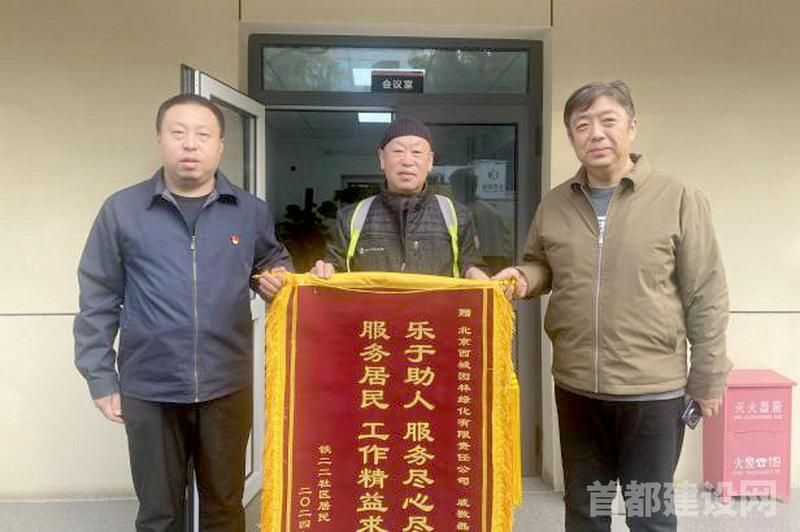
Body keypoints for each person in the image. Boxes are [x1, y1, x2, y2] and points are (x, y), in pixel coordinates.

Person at [494, 81, 731, 531]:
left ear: (632, 127)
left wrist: (708, 377)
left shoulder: (678, 197)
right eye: (582, 125)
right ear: (571, 136)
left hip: (652, 389)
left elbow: (706, 292)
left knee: (649, 513)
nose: (596, 134)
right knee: (585, 509)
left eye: (608, 121)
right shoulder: (555, 203)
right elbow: (542, 263)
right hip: (577, 386)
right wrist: (524, 277)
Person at [74, 94, 292, 532]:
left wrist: (276, 280)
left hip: (226, 385)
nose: (190, 144)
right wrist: (100, 377)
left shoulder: (248, 211)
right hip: (149, 387)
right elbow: (98, 297)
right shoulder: (122, 210)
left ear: (220, 145)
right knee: (159, 513)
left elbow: (273, 264)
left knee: (224, 508)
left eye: (202, 134)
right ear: (160, 140)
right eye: (178, 133)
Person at [311, 117, 488, 280]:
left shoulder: (457, 216)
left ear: (430, 161)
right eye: (398, 151)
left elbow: (470, 266)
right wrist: (324, 271)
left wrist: (474, 272)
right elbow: (334, 268)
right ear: (382, 158)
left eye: (416, 152)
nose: (407, 161)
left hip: (437, 307)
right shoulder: (351, 217)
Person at [449, 166, 513, 273]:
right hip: (496, 266)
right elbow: (507, 247)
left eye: (454, 186)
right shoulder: (491, 211)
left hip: (476, 268)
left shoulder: (461, 213)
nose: (453, 190)